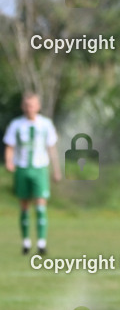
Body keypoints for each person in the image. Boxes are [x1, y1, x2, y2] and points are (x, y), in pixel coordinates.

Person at [4, 93, 60, 255]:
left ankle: (42, 243)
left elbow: (51, 147)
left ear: (38, 106)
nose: (30, 108)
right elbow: (10, 145)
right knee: (24, 206)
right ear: (23, 107)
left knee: (41, 205)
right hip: (22, 168)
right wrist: (9, 161)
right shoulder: (16, 124)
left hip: (40, 168)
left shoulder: (45, 124)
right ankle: (26, 242)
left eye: (33, 105)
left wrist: (56, 169)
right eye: (27, 105)